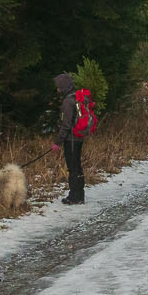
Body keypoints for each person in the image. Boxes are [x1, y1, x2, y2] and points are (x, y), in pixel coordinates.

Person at [52, 72, 89, 204]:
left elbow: (66, 124)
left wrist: (58, 142)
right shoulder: (77, 98)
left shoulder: (68, 101)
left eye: (59, 87)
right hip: (78, 138)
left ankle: (74, 197)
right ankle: (80, 195)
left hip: (71, 139)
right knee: (77, 166)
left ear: (64, 86)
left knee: (73, 168)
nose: (57, 89)